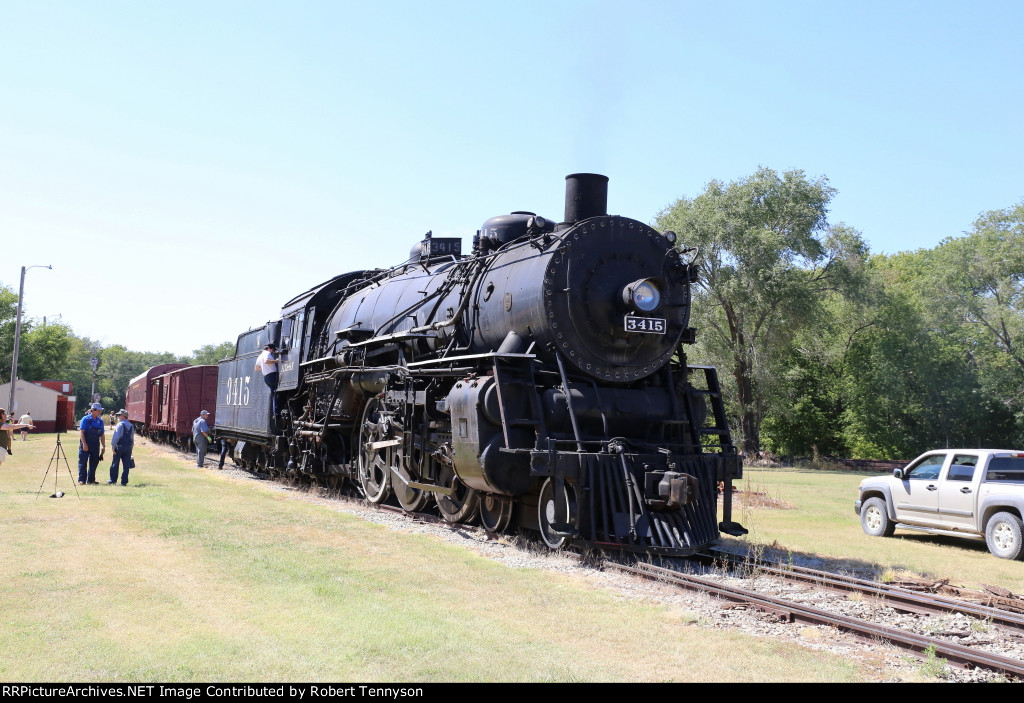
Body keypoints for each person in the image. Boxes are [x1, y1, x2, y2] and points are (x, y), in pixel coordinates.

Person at [78, 403, 107, 485]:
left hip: (95, 443)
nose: (100, 412)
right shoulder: (85, 419)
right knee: (83, 462)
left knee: (94, 461)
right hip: (86, 442)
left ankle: (91, 480)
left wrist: (103, 446)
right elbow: (82, 432)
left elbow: (102, 434)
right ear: (93, 410)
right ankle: (82, 480)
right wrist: (84, 444)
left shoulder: (100, 421)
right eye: (98, 410)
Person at [108, 409, 135, 485]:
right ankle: (124, 481)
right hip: (128, 447)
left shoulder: (120, 425)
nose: (118, 416)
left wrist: (113, 447)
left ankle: (113, 480)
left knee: (115, 463)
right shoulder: (131, 426)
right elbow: (132, 438)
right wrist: (131, 448)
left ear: (123, 416)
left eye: (119, 415)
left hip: (119, 447)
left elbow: (116, 437)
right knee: (126, 465)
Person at [255, 343, 280, 417]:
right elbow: (266, 361)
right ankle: (276, 412)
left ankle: (275, 413)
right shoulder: (267, 353)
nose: (272, 351)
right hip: (272, 375)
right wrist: (276, 361)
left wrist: (264, 367)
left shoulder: (260, 356)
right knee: (277, 393)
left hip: (266, 377)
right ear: (269, 348)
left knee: (274, 394)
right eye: (272, 349)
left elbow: (256, 368)